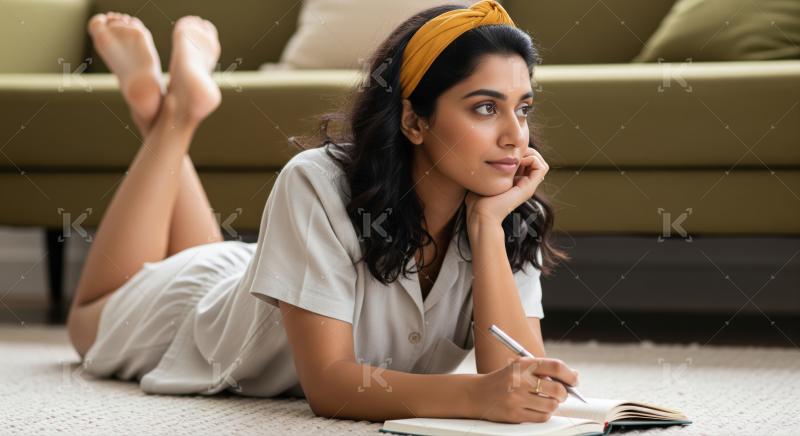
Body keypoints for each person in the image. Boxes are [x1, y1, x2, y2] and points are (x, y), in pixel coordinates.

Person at [66, 0, 580, 424]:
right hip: (191, 310)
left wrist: (487, 228)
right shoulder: (316, 181)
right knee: (87, 322)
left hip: (247, 278)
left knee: (207, 258)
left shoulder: (508, 211)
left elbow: (521, 381)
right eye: (485, 108)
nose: (516, 136)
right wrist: (473, 396)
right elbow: (330, 385)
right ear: (413, 120)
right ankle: (175, 115)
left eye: (523, 108)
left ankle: (162, 110)